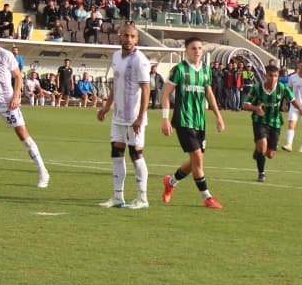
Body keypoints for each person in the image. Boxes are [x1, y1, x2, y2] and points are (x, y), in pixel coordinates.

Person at [0, 24, 50, 189]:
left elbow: (18, 76)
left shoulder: (5, 55)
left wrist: (16, 96)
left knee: (23, 135)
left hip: (8, 103)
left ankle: (43, 171)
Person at [159, 36, 226, 209]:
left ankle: (171, 182)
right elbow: (165, 94)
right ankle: (207, 197)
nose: (197, 51)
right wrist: (165, 118)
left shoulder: (206, 70)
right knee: (197, 158)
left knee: (195, 160)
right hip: (183, 120)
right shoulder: (179, 69)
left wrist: (218, 117)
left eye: (199, 48)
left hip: (199, 121)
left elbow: (209, 94)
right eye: (193, 48)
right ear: (186, 51)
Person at [95, 23, 152, 209]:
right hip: (118, 116)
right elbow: (116, 84)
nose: (128, 39)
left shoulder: (140, 60)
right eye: (125, 35)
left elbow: (146, 89)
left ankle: (142, 198)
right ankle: (118, 197)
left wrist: (141, 117)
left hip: (134, 117)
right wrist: (106, 107)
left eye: (132, 37)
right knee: (116, 153)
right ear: (119, 36)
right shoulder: (116, 56)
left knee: (136, 154)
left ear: (137, 39)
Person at [243, 63, 293, 182]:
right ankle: (261, 173)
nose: (273, 78)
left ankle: (258, 151)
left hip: (275, 122)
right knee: (263, 146)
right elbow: (244, 105)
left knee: (270, 154)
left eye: (276, 76)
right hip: (259, 120)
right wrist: (256, 108)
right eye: (271, 76)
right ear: (266, 76)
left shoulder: (282, 88)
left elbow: (293, 99)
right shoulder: (257, 88)